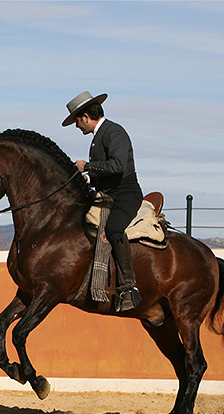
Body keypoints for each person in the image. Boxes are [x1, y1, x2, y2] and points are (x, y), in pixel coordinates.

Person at [62, 91, 143, 312]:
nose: (78, 127)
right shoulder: (99, 136)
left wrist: (86, 167)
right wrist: (86, 178)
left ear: (85, 117)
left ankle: (128, 287)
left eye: (77, 122)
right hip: (107, 193)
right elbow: (104, 171)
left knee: (114, 228)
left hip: (125, 194)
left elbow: (117, 166)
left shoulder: (114, 132)